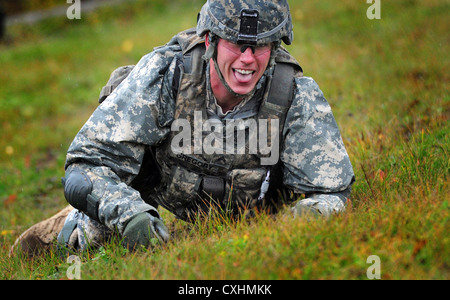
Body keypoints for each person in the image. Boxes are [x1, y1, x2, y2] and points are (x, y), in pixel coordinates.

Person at [12, 0, 354, 257]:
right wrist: (131, 216)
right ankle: (68, 225)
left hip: (254, 208)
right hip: (155, 193)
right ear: (210, 42)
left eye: (260, 46)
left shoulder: (293, 92)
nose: (248, 59)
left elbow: (331, 191)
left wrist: (294, 226)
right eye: (236, 44)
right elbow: (86, 165)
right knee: (100, 237)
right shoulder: (165, 76)